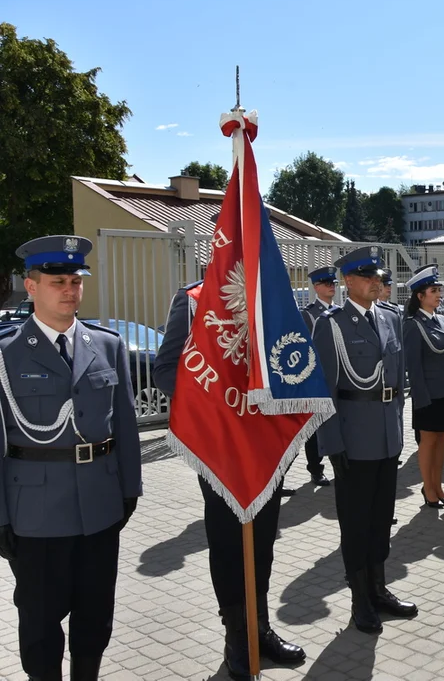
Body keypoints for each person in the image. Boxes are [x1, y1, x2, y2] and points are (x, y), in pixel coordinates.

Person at [0, 236, 141, 681]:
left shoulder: (107, 345)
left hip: (99, 506)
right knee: (40, 625)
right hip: (36, 515)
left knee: (95, 616)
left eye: (76, 281)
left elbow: (126, 425)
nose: (70, 290)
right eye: (58, 281)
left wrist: (128, 491)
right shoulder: (5, 353)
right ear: (30, 286)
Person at [156, 279, 305, 675]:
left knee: (263, 538)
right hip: (220, 449)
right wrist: (216, 409)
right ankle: (236, 636)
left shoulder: (270, 293)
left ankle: (260, 627)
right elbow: (166, 370)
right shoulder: (191, 301)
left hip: (265, 446)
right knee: (227, 542)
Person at [312, 245, 417, 634]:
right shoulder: (332, 325)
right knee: (356, 524)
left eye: (378, 277)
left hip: (387, 436)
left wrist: (399, 430)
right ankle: (360, 599)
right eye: (368, 277)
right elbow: (324, 392)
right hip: (354, 440)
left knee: (381, 520)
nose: (377, 283)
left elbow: (398, 380)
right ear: (348, 281)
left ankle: (379, 588)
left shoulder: (389, 318)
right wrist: (333, 446)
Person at [403, 265, 444, 509]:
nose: (438, 295)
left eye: (439, 290)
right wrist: (420, 398)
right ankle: (428, 488)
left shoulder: (443, 320)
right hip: (428, 395)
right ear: (420, 296)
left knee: (441, 441)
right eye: (433, 290)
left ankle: (438, 485)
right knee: (428, 442)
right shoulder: (412, 325)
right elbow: (413, 367)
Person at [298, 265, 339, 487]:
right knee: (314, 428)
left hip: (338, 378)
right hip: (318, 379)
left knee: (336, 423)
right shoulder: (308, 314)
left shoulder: (339, 311)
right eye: (326, 283)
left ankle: (337, 463)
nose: (331, 287)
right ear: (316, 287)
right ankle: (315, 469)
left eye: (333, 283)